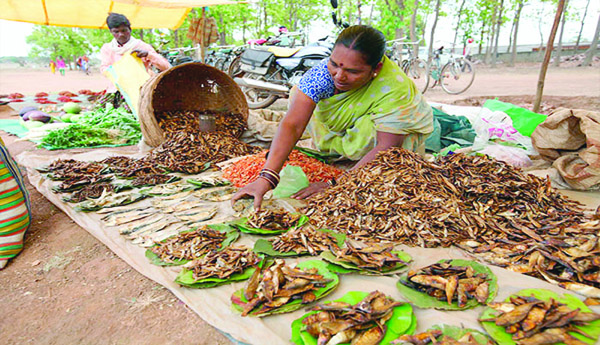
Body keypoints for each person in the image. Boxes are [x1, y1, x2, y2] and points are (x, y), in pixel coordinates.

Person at [231, 25, 434, 210]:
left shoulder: (394, 88)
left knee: (382, 153)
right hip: (344, 136)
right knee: (298, 94)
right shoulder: (322, 74)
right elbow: (292, 125)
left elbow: (387, 147)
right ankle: (342, 153)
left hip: (385, 142)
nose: (339, 76)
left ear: (376, 69)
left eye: (352, 71)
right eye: (334, 64)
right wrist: (266, 178)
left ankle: (355, 164)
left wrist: (336, 183)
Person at [100, 12, 170, 74]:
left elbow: (166, 67)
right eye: (116, 32)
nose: (121, 34)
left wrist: (148, 55)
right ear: (111, 32)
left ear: (130, 29)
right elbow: (104, 69)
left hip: (141, 86)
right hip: (116, 87)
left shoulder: (142, 46)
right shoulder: (107, 49)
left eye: (124, 30)